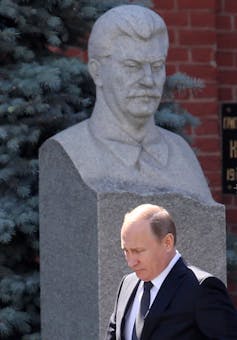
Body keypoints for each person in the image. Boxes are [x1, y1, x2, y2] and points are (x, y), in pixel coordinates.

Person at [52, 4, 214, 204]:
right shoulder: (68, 151)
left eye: (156, 66)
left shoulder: (181, 154)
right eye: (132, 66)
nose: (148, 80)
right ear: (97, 72)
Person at [105, 204, 237, 339]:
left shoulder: (201, 289)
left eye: (138, 251)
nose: (131, 262)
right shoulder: (127, 284)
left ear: (167, 242)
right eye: (126, 251)